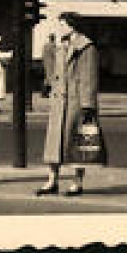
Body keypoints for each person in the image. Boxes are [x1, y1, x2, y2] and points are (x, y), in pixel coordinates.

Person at [39, 14, 106, 197]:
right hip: (59, 102)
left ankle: (77, 182)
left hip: (76, 102)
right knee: (54, 144)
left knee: (77, 145)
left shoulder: (86, 47)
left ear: (72, 26)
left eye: (62, 25)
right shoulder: (61, 46)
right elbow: (53, 73)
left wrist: (87, 105)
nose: (59, 28)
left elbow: (89, 77)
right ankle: (52, 180)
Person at [40, 32, 58, 98]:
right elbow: (55, 55)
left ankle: (44, 93)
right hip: (52, 63)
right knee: (50, 78)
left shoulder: (45, 46)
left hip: (46, 63)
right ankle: (47, 92)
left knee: (47, 78)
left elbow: (43, 55)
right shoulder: (53, 46)